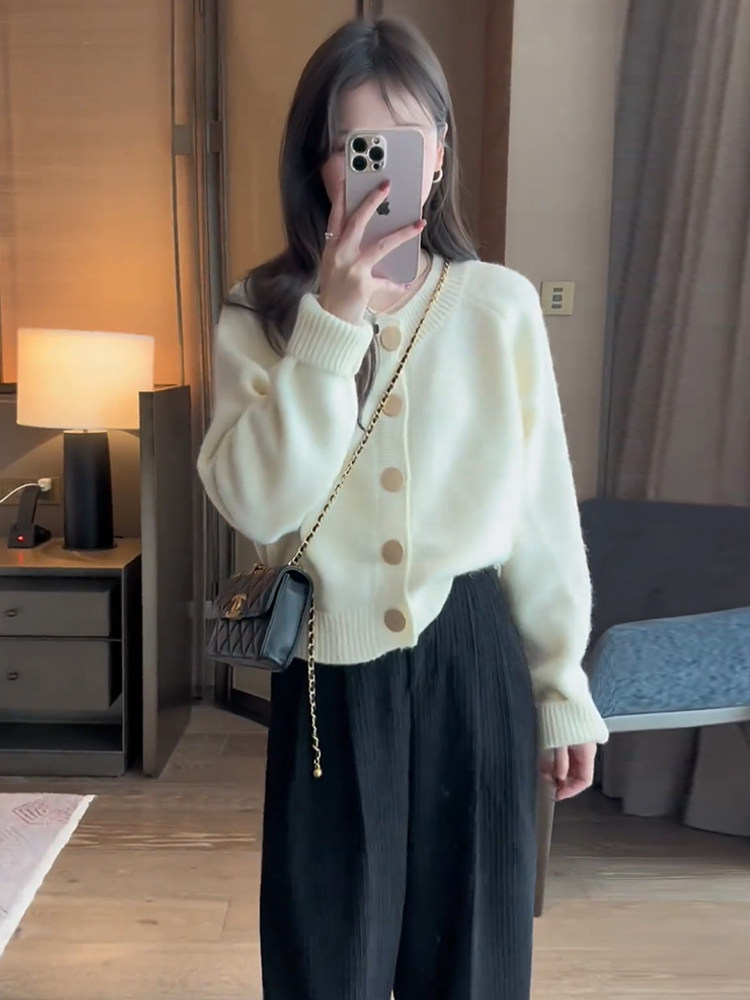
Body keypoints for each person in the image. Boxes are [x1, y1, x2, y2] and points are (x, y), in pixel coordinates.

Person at [198, 15, 609, 1000]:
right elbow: (256, 501)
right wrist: (331, 328)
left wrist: (562, 686)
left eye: (404, 142)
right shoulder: (261, 313)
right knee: (326, 956)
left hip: (472, 654)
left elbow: (542, 513)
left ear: (439, 157)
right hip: (328, 672)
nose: (381, 171)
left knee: (473, 956)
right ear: (319, 162)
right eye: (356, 146)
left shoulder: (498, 305)